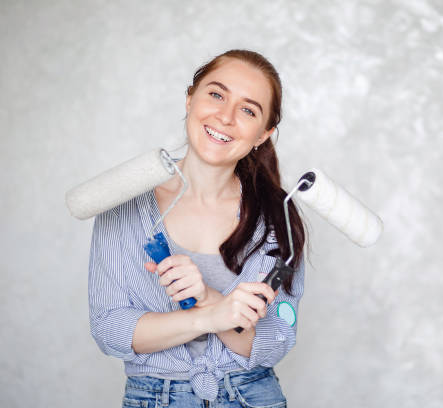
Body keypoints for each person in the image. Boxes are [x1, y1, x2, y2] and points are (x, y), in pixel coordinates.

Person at [88, 49, 306, 407]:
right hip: (155, 398)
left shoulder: (276, 215)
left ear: (263, 134)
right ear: (190, 99)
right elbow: (110, 329)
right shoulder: (125, 203)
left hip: (253, 396)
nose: (225, 116)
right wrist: (210, 316)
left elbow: (275, 340)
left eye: (248, 110)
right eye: (216, 94)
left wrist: (207, 296)